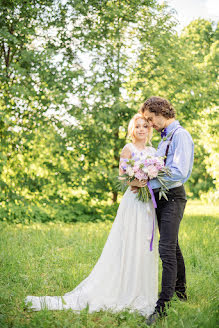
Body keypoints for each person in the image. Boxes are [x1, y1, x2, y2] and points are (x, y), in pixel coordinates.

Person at [25, 113, 159, 317]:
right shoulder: (128, 149)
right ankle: (123, 287)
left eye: (145, 126)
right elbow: (122, 177)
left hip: (148, 203)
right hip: (133, 202)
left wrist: (149, 179)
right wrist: (135, 182)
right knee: (128, 242)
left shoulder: (152, 151)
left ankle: (142, 289)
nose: (141, 129)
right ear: (133, 130)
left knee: (144, 243)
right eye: (138, 126)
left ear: (149, 130)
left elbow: (157, 173)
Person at [136, 96, 194, 325]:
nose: (150, 124)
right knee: (173, 245)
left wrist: (148, 183)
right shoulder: (163, 139)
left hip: (173, 197)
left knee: (166, 249)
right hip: (162, 197)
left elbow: (179, 172)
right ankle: (181, 292)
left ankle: (163, 306)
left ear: (161, 111)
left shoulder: (181, 136)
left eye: (150, 119)